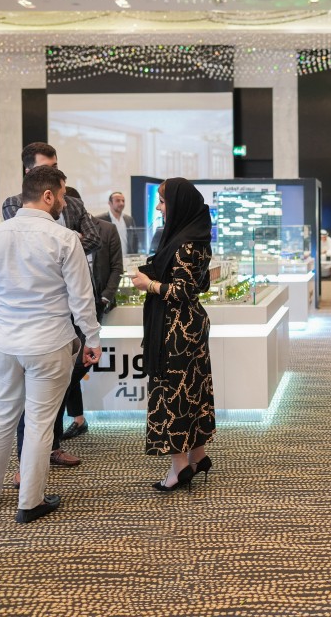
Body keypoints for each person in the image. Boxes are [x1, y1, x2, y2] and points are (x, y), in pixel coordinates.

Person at [0, 166, 102, 523]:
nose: (64, 202)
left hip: (5, 343)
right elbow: (82, 298)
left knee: (1, 418)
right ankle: (30, 502)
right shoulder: (64, 238)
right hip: (50, 343)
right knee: (40, 423)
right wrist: (92, 338)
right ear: (47, 195)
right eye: (62, 195)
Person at [130, 178, 215, 492]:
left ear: (178, 204)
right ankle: (198, 455)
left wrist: (149, 284)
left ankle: (179, 467)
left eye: (163, 201)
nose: (158, 207)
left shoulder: (185, 242)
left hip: (176, 330)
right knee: (193, 391)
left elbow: (183, 290)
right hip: (188, 326)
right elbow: (200, 283)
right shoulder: (193, 236)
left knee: (173, 395)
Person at [61, 188, 124, 442]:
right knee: (68, 363)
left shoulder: (105, 229)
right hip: (64, 307)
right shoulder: (59, 234)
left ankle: (64, 414)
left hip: (97, 303)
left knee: (75, 366)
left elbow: (117, 267)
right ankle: (78, 418)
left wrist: (106, 297)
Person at [2, 142, 100, 257]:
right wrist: (73, 237)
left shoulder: (74, 203)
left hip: (73, 267)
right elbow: (28, 242)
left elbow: (93, 239)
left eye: (54, 167)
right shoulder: (14, 204)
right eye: (44, 168)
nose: (53, 172)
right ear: (28, 172)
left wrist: (60, 254)